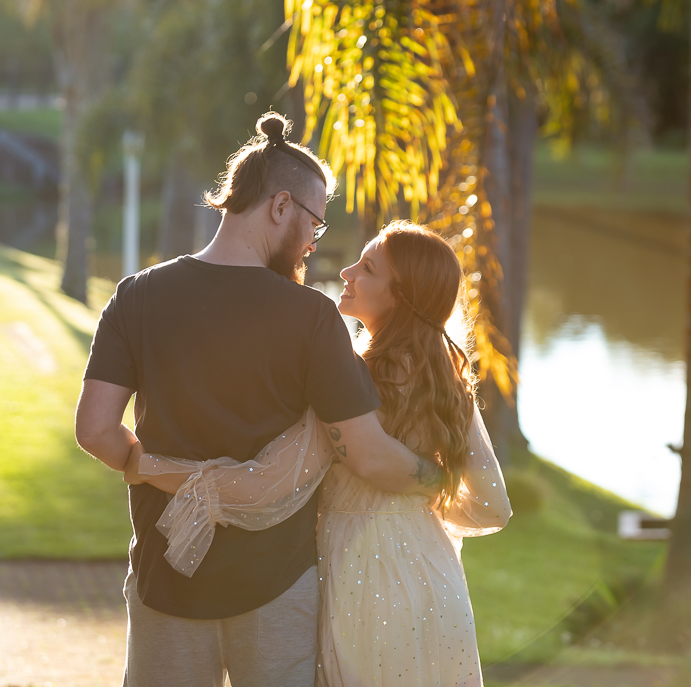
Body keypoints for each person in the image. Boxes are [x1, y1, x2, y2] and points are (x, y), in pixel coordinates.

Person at [73, 112, 443, 687]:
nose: (313, 242)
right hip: (276, 587)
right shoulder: (312, 317)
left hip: (164, 576)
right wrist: (439, 479)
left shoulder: (136, 295)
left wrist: (149, 466)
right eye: (314, 223)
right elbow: (368, 454)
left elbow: (95, 430)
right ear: (281, 206)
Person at [126, 220, 514, 687]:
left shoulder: (346, 380)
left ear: (401, 296)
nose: (347, 272)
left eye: (367, 268)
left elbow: (267, 483)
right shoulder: (450, 383)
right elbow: (492, 507)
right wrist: (425, 496)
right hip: (435, 583)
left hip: (362, 583)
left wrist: (148, 466)